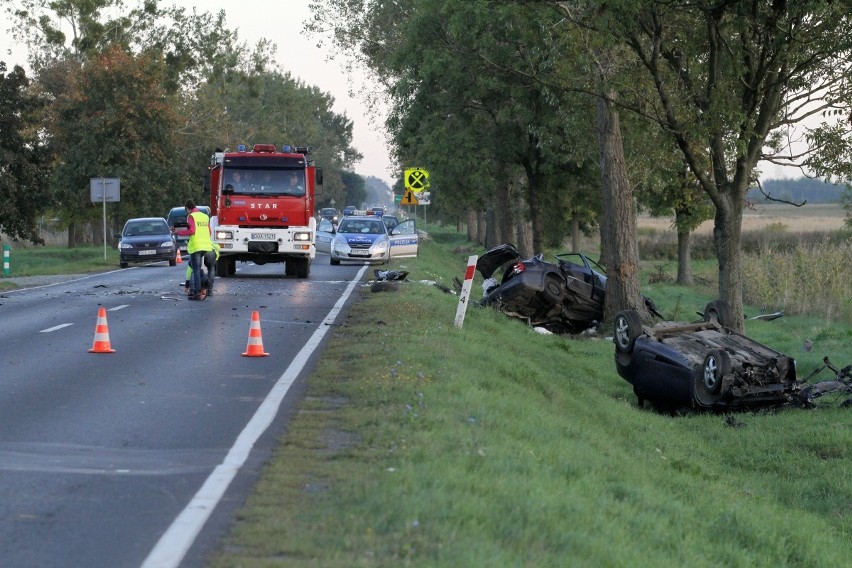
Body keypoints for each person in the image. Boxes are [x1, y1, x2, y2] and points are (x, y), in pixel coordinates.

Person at [173, 199, 212, 300]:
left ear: (187, 208)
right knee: (197, 268)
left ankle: (197, 292)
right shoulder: (205, 216)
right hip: (205, 246)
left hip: (196, 246)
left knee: (196, 269)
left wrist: (178, 232)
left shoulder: (191, 216)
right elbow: (209, 232)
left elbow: (192, 230)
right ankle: (206, 282)